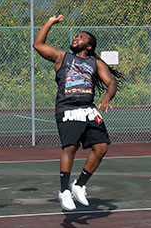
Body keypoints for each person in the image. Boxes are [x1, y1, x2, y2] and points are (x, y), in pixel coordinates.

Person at [33, 14, 123, 211]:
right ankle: (64, 191)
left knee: (101, 147)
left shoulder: (95, 63)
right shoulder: (62, 57)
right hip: (67, 108)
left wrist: (107, 98)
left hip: (88, 108)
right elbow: (38, 45)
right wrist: (50, 22)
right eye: (76, 36)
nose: (76, 38)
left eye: (81, 37)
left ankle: (79, 184)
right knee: (71, 148)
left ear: (89, 46)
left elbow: (111, 82)